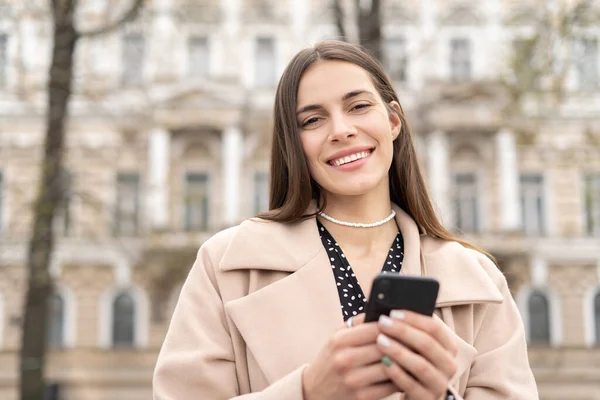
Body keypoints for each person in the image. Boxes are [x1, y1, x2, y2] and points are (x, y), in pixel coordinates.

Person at [152, 40, 538, 400]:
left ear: (393, 121)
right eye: (313, 121)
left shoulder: (479, 282)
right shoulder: (226, 266)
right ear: (294, 145)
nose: (342, 130)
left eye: (358, 106)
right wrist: (306, 392)